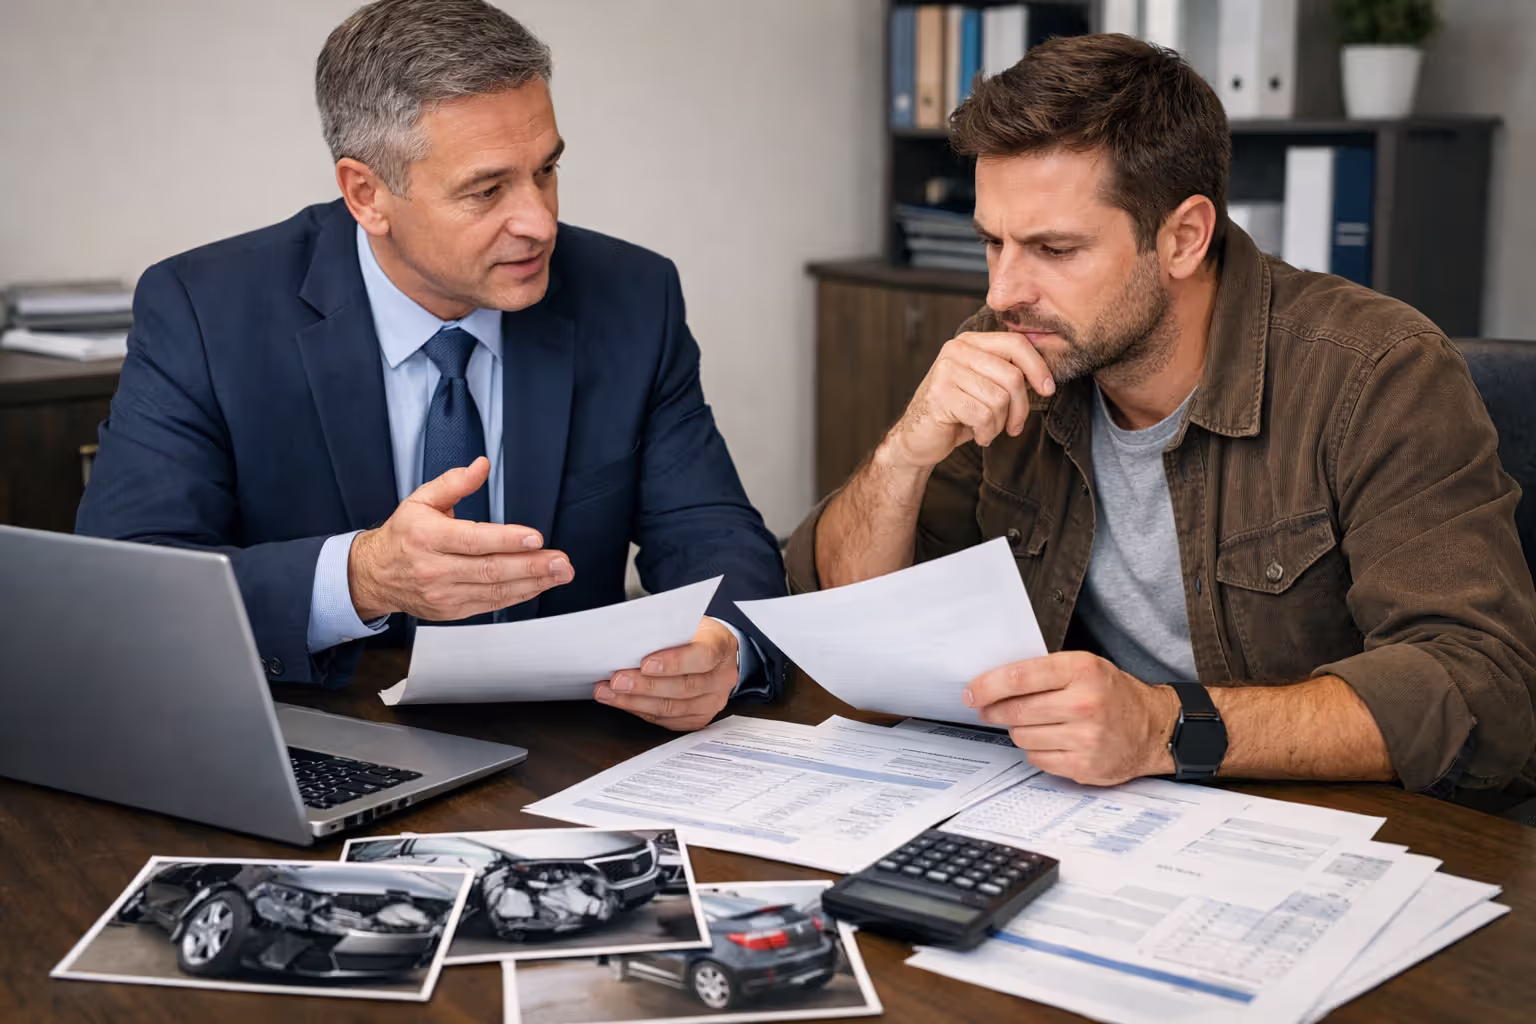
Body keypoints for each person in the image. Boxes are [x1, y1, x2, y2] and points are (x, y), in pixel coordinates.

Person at [788, 34, 1536, 805]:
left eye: (1053, 248)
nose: (1006, 289)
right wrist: (901, 458)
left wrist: (1165, 727)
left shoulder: (1379, 372)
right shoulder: (1013, 347)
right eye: (992, 243)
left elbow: (1480, 686)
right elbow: (850, 619)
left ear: (1183, 238)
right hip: (1091, 811)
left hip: (1325, 823)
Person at [76, 0, 787, 731]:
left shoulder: (631, 295)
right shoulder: (205, 310)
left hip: (572, 744)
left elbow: (710, 526)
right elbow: (127, 584)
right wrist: (363, 577)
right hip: (318, 735)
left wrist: (723, 647)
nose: (540, 220)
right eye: (487, 190)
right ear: (367, 195)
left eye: (546, 171)